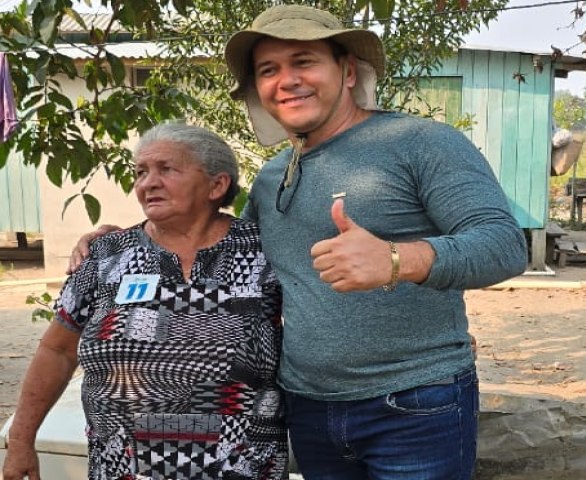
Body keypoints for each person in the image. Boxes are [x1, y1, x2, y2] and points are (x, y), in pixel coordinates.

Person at [67, 5, 528, 479]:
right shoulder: (272, 177)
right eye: (269, 69)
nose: (287, 80)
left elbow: (504, 245)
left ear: (348, 71)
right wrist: (124, 244)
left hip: (413, 402)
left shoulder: (420, 142)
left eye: (304, 61)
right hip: (308, 408)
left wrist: (398, 259)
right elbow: (227, 251)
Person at [2, 123, 287, 480]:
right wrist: (21, 440)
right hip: (124, 469)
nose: (147, 183)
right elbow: (57, 352)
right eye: (140, 172)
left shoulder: (266, 253)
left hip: (239, 468)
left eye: (166, 169)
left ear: (217, 185)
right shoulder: (106, 257)